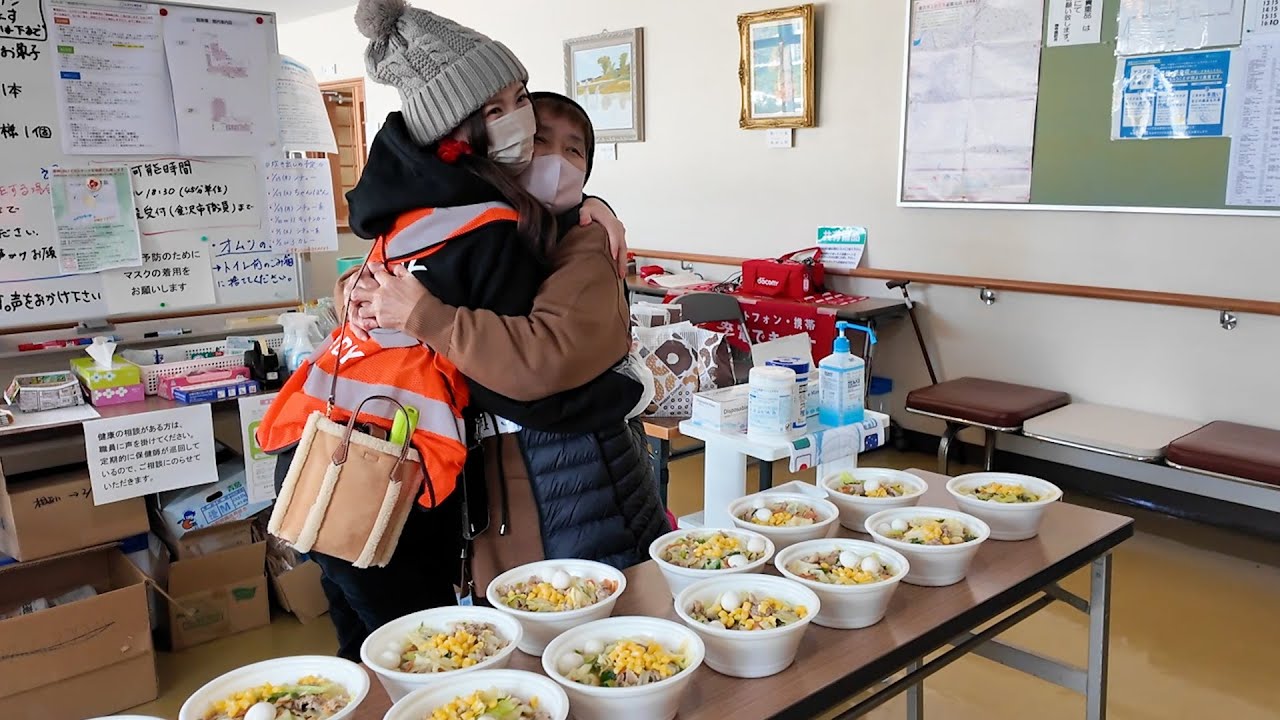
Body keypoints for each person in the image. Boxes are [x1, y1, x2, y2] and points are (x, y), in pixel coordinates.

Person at [257, 0, 610, 660]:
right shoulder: (494, 230)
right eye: (499, 109)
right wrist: (623, 396)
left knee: (362, 651)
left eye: (520, 98)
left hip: (321, 454)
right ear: (457, 130)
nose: (525, 127)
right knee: (418, 657)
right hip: (395, 479)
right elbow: (515, 373)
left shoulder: (409, 212)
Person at [346, 91, 668, 595]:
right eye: (540, 140)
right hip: (497, 493)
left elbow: (544, 359)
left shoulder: (585, 241)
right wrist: (363, 292)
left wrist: (422, 317)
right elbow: (378, 283)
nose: (557, 160)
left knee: (602, 633)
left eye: (575, 150)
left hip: (578, 487)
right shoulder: (481, 231)